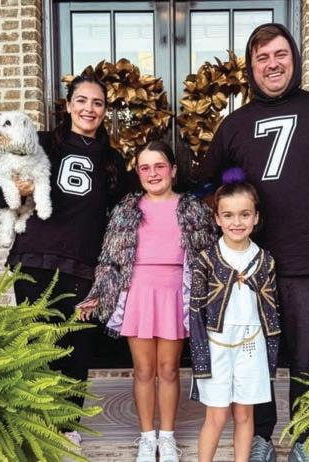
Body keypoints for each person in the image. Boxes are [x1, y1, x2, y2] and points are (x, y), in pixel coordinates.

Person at [195, 23, 309, 462]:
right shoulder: (234, 125)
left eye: (280, 54)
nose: (272, 64)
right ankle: (260, 436)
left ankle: (305, 440)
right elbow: (206, 186)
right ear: (251, 67)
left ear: (294, 58)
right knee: (253, 354)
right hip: (250, 268)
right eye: (262, 58)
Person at [0, 74, 128, 445]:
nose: (89, 109)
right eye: (81, 100)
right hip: (35, 259)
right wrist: (18, 190)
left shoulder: (112, 160)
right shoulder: (41, 143)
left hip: (83, 265)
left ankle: (67, 427)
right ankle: (34, 427)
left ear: (105, 110)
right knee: (37, 347)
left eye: (97, 103)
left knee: (75, 348)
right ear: (68, 105)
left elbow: (121, 217)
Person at [77, 140, 218, 462]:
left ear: (173, 170)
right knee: (143, 370)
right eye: (145, 168)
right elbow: (110, 260)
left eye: (159, 166)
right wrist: (97, 294)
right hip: (138, 292)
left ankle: (166, 438)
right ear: (138, 173)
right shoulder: (126, 210)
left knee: (168, 369)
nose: (153, 173)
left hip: (174, 293)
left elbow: (208, 257)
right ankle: (146, 437)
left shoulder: (193, 209)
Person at [189, 169, 280, 462]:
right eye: (228, 215)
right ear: (217, 218)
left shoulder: (265, 260)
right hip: (217, 345)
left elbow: (271, 311)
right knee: (216, 415)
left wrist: (271, 354)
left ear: (255, 217)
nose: (236, 222)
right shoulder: (206, 260)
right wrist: (200, 356)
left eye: (244, 214)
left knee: (244, 414)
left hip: (251, 344)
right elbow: (196, 311)